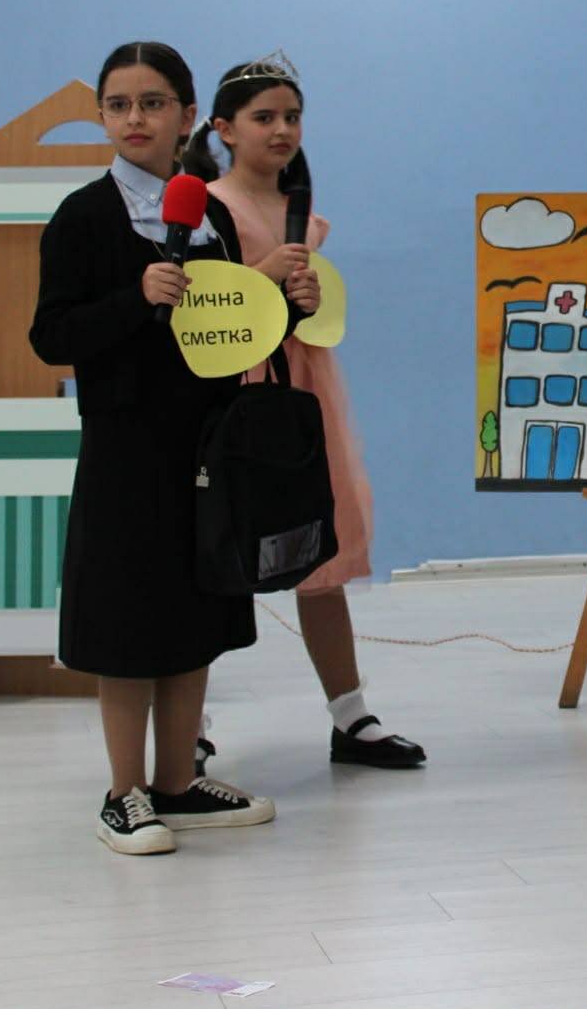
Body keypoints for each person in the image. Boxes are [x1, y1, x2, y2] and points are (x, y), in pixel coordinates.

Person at [31, 41, 317, 854]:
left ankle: (177, 782)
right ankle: (123, 792)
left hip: (205, 445)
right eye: (119, 104)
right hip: (126, 450)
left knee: (195, 610)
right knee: (127, 620)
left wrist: (289, 304)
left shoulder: (210, 215)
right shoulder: (83, 216)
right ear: (102, 115)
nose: (136, 118)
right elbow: (52, 335)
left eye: (153, 103)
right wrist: (136, 297)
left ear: (188, 116)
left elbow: (232, 329)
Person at [185, 54, 425, 770]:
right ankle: (187, 725)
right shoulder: (205, 207)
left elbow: (310, 311)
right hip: (232, 393)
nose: (281, 130)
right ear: (225, 128)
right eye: (263, 117)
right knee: (217, 552)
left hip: (302, 386)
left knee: (322, 548)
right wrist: (263, 279)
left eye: (292, 116)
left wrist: (309, 297)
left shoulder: (303, 214)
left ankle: (351, 715)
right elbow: (203, 306)